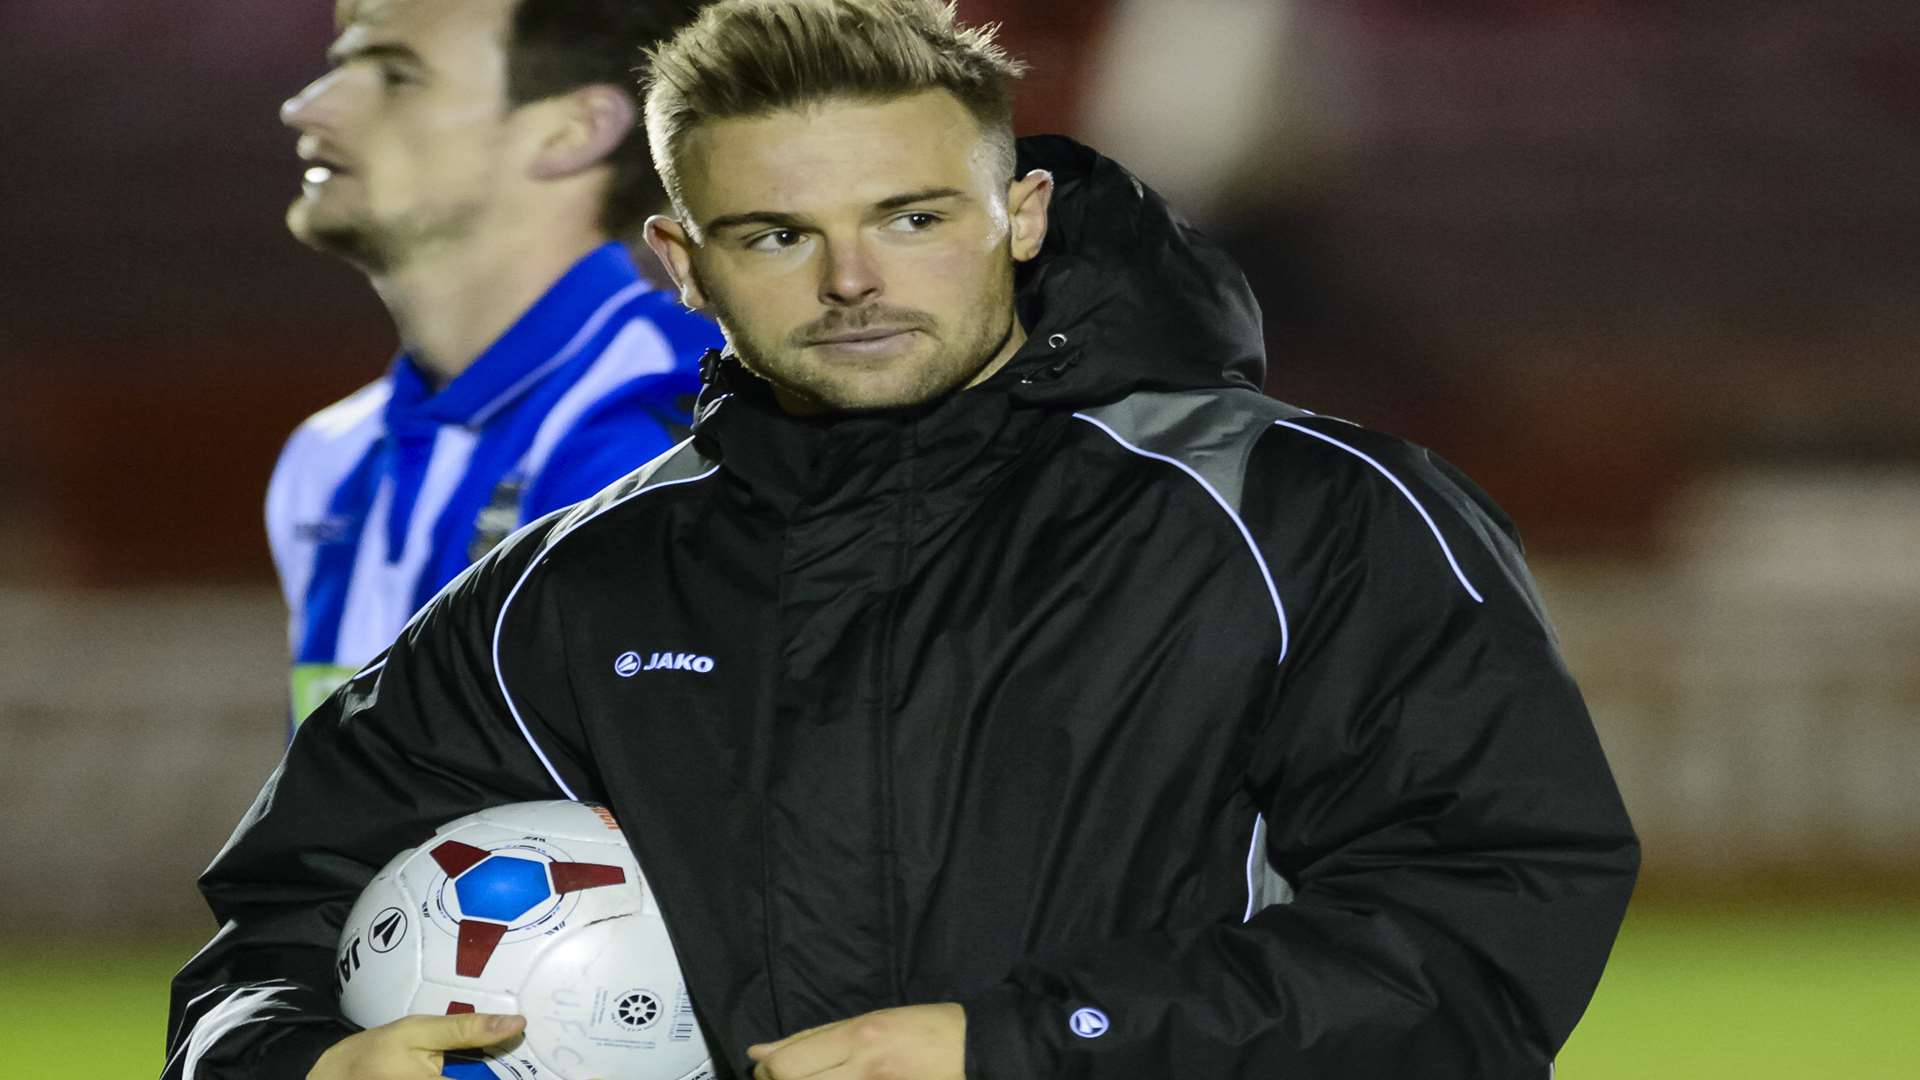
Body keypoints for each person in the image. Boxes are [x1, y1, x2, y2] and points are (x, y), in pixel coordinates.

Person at [165, 1, 1639, 1077]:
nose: (856, 279)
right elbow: (273, 931)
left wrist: (1028, 1045)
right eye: (777, 235)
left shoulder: (1305, 517)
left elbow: (1487, 920)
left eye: (915, 213)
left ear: (1023, 213)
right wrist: (294, 1065)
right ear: (680, 260)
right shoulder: (569, 589)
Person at [268, 0, 719, 724]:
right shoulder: (326, 460)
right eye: (339, 65)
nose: (307, 107)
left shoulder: (702, 428)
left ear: (572, 131)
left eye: (395, 75)